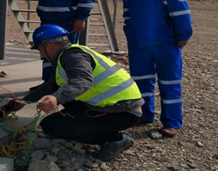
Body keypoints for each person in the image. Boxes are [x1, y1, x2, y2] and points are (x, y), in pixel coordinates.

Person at [13, 24, 143, 161]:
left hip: (122, 112)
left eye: (40, 50)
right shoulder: (71, 54)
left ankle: (116, 140)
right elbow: (50, 86)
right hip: (121, 106)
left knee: (51, 126)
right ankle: (97, 128)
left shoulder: (73, 56)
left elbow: (83, 80)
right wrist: (24, 101)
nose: (42, 55)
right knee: (67, 103)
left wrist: (55, 99)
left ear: (48, 46)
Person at [104, 0, 193, 138]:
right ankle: (145, 114)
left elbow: (180, 11)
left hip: (166, 44)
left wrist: (183, 35)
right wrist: (132, 39)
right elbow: (127, 17)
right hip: (139, 47)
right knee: (141, 83)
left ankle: (172, 123)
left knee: (170, 84)